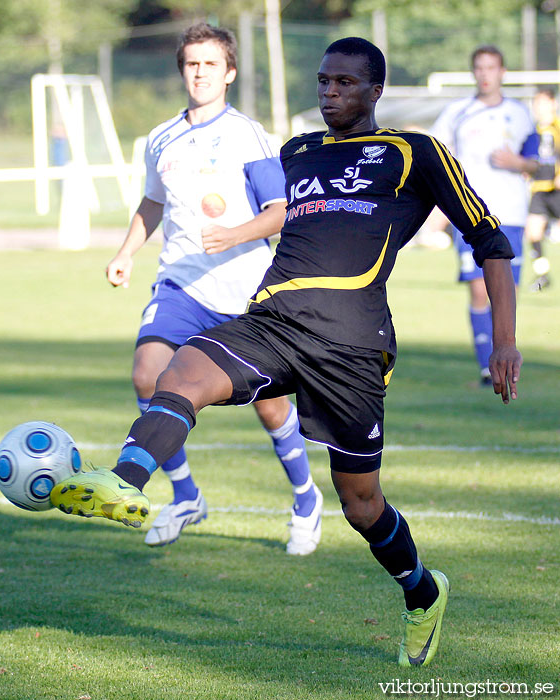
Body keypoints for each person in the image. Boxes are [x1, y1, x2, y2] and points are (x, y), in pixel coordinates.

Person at [52, 37, 522, 667]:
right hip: (273, 320)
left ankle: (421, 589)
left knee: (360, 503)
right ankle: (123, 482)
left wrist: (505, 345)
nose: (331, 93)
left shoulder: (413, 152)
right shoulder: (297, 152)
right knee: (178, 371)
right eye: (324, 82)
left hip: (353, 343)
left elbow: (489, 243)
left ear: (375, 90)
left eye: (346, 83)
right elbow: (268, 210)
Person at [103, 23, 322, 555]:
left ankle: (306, 496)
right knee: (149, 375)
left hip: (246, 293)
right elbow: (152, 203)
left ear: (229, 72)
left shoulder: (247, 134)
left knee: (270, 408)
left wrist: (233, 235)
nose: (199, 72)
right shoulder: (160, 138)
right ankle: (185, 495)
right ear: (182, 70)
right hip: (180, 284)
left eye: (209, 64)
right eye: (191, 63)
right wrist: (126, 251)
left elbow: (280, 212)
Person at [432, 45, 537, 385]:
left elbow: (540, 163)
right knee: (480, 289)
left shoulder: (520, 114)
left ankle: (507, 358)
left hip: (511, 213)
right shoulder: (456, 113)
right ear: (473, 72)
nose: (485, 74)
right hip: (471, 214)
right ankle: (484, 366)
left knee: (508, 292)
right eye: (479, 67)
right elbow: (434, 158)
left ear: (502, 72)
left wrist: (518, 163)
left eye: (491, 67)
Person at [525, 87, 559, 292]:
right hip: (539, 189)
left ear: (553, 104)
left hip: (556, 189)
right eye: (536, 104)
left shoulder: (557, 126)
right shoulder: (533, 130)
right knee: (533, 233)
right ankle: (543, 275)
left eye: (543, 103)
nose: (539, 108)